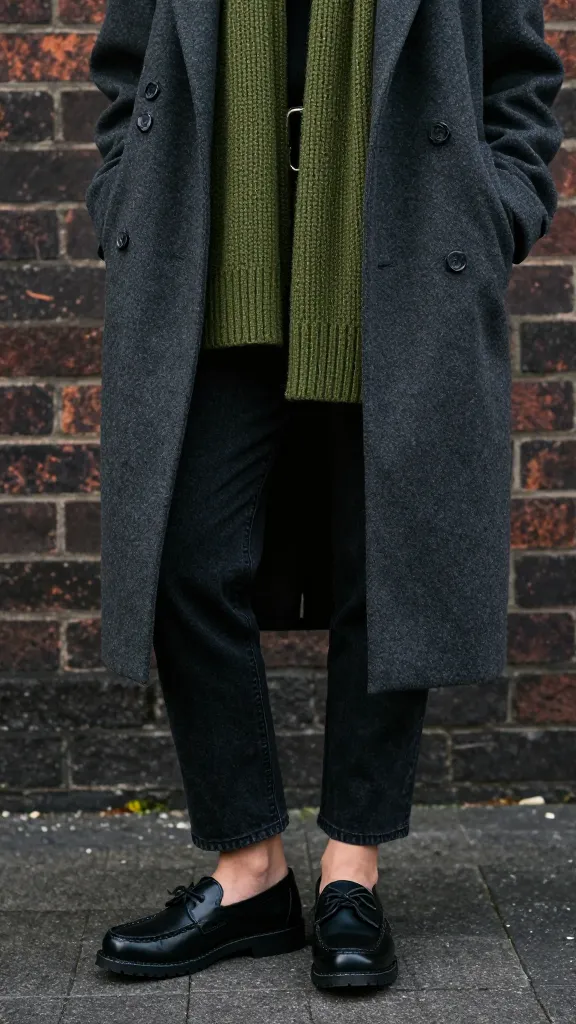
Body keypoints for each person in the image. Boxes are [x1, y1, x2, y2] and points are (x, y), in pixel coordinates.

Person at [85, 0, 563, 991]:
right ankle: (251, 870)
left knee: (382, 564)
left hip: (396, 259)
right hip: (216, 257)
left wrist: (493, 203)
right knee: (180, 547)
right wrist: (124, 196)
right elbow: (127, 66)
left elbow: (521, 79)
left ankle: (353, 871)